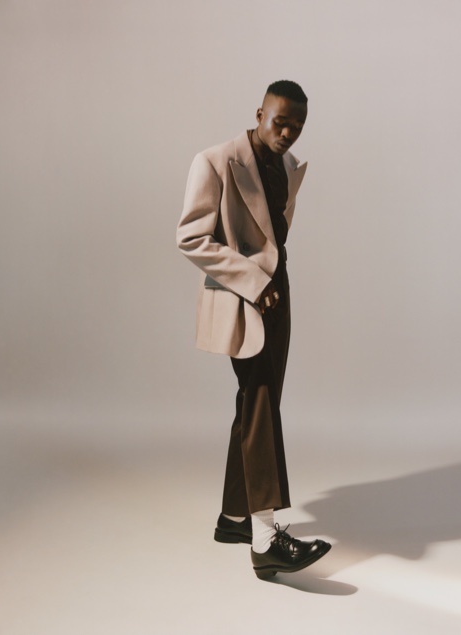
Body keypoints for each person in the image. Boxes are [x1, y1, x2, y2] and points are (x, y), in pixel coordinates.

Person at [176, 80, 331, 580]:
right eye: (280, 121)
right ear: (259, 112)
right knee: (261, 398)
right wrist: (252, 281)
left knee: (257, 403)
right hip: (243, 299)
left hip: (278, 295)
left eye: (297, 126)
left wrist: (273, 281)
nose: (288, 133)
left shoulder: (288, 168)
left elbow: (274, 233)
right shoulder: (215, 160)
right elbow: (191, 237)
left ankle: (234, 517)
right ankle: (266, 536)